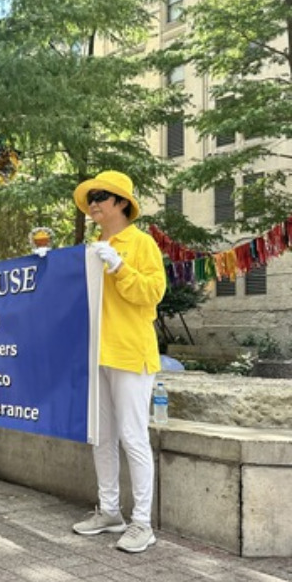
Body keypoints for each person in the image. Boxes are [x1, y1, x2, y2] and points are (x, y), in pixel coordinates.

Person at [70, 170, 166, 554]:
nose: (93, 203)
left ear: (121, 203)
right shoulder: (92, 247)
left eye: (101, 196)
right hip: (98, 354)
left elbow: (153, 293)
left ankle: (142, 522)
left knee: (133, 437)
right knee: (102, 436)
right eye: (91, 197)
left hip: (130, 352)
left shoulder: (141, 243)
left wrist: (120, 267)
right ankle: (110, 511)